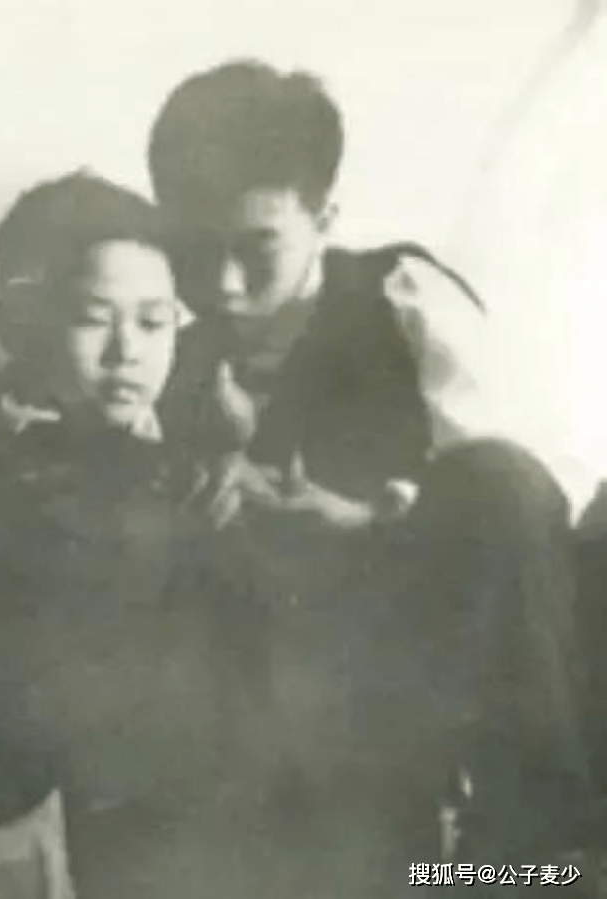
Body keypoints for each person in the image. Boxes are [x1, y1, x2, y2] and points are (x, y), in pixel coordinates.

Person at [147, 60, 598, 895]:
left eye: (257, 248)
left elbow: (537, 491)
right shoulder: (153, 346)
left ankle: (533, 862)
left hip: (436, 640)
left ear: (325, 219)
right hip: (296, 688)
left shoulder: (401, 298)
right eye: (194, 251)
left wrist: (374, 522)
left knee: (498, 477)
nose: (223, 285)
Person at [0, 171, 277, 898]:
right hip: (76, 807)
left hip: (207, 802)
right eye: (94, 319)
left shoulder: (185, 450)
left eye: (154, 323)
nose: (128, 352)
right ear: (19, 327)